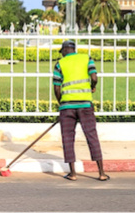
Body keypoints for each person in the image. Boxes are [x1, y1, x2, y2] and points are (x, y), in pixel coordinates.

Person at [53, 40, 110, 181]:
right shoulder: (86, 58)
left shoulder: (60, 64)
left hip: (67, 107)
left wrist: (62, 104)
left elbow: (56, 87)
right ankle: (101, 173)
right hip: (85, 104)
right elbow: (94, 76)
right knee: (92, 136)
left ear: (65, 50)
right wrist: (93, 86)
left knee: (68, 138)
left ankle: (72, 174)